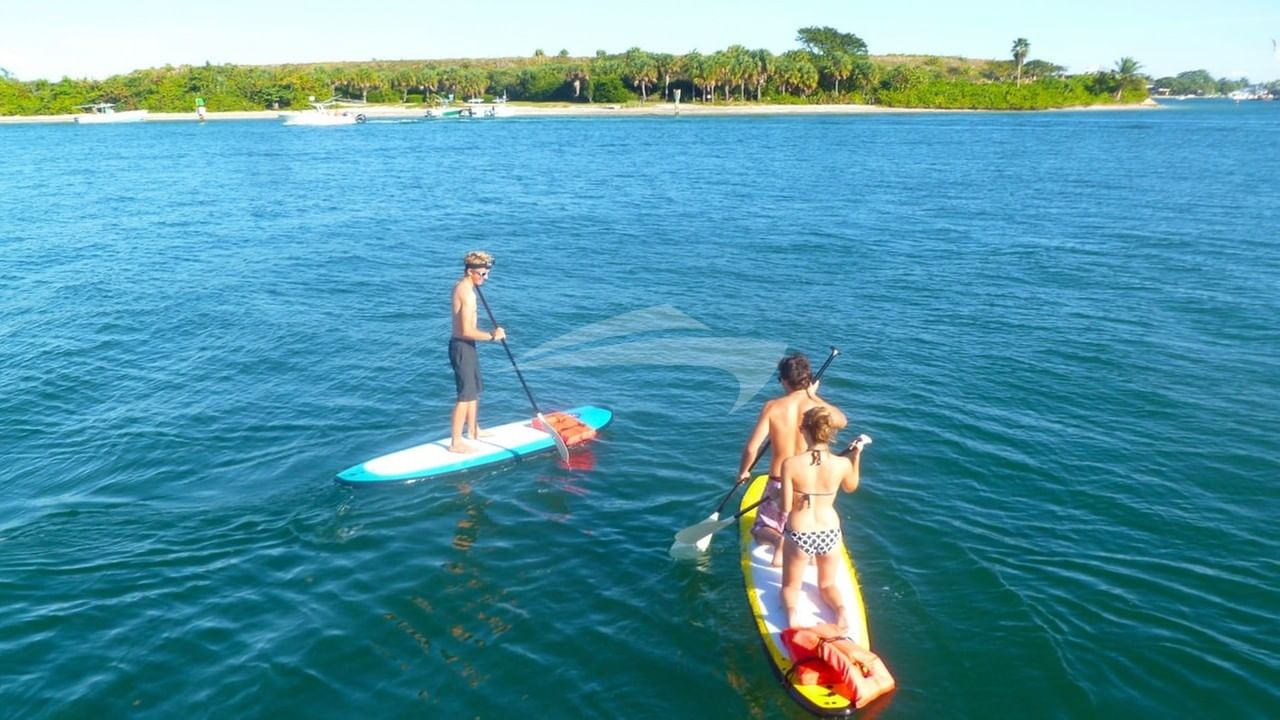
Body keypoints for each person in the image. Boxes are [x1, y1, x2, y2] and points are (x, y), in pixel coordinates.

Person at [737, 353, 847, 566]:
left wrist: (744, 472)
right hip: (808, 482)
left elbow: (752, 448)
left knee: (760, 528)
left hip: (779, 480)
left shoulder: (773, 407)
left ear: (785, 380)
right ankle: (811, 549)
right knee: (802, 521)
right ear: (809, 380)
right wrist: (813, 396)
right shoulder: (818, 409)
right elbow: (842, 421)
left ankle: (778, 540)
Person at [779, 406, 868, 630]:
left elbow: (785, 506)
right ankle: (841, 612)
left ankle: (792, 618)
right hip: (830, 532)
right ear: (830, 433)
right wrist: (856, 457)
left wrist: (774, 493)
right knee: (827, 584)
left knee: (791, 586)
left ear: (803, 431)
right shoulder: (842, 463)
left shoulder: (790, 464)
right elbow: (851, 487)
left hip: (800, 532)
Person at [449, 250, 505, 453]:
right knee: (465, 395)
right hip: (462, 346)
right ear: (470, 271)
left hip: (468, 346)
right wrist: (492, 336)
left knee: (474, 390)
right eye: (482, 274)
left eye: (486, 273)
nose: (486, 277)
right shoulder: (466, 292)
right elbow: (466, 330)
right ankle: (455, 442)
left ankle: (474, 430)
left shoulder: (465, 286)